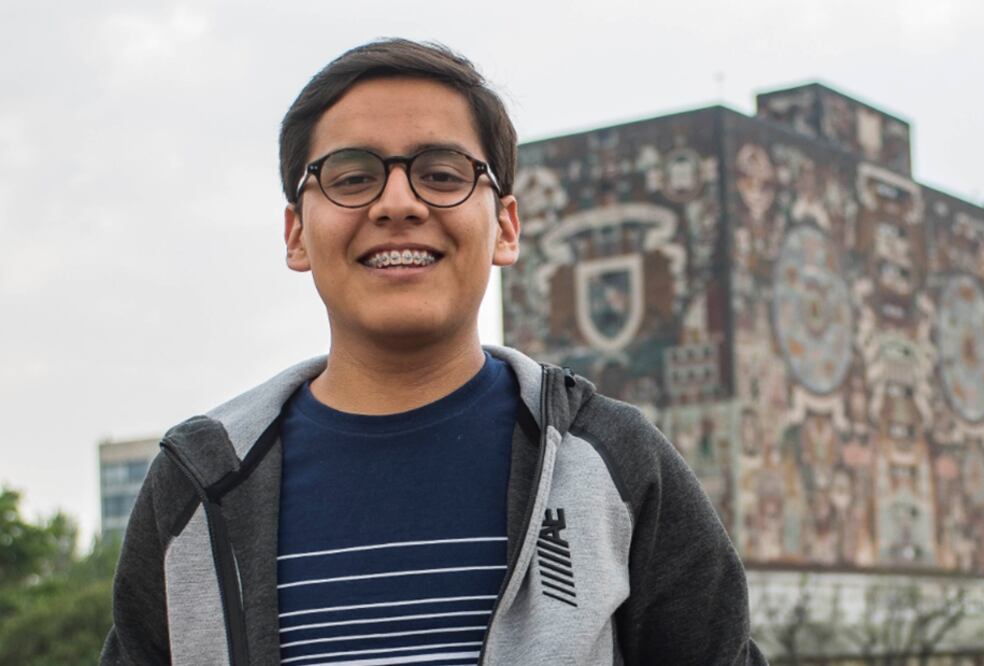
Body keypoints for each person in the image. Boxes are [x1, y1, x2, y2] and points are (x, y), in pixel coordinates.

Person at [101, 38, 766, 666]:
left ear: (506, 226)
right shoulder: (199, 484)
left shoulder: (615, 464)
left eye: (441, 174)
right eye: (351, 176)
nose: (397, 203)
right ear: (296, 234)